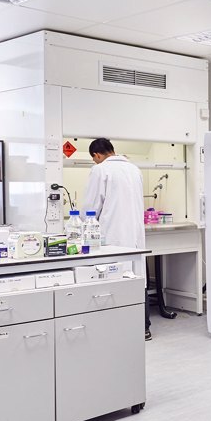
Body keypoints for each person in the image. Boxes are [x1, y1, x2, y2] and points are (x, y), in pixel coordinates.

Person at [83, 138, 149, 339]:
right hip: (135, 235)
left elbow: (91, 207)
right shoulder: (134, 169)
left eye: (94, 159)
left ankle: (116, 329)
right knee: (137, 277)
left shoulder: (100, 169)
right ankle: (143, 327)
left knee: (112, 279)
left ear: (96, 155)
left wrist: (81, 228)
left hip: (112, 236)